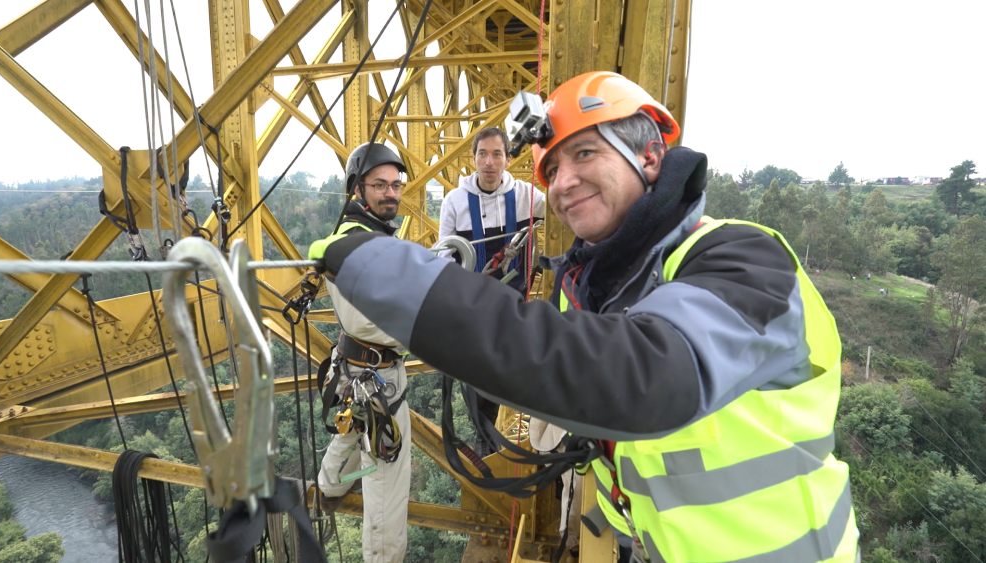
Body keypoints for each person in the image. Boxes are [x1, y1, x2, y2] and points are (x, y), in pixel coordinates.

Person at [310, 71, 858, 562]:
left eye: (585, 154)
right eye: (552, 168)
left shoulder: (746, 261)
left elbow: (636, 376)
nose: (563, 182)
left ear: (649, 157)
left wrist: (389, 273)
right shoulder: (594, 290)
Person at [315, 142, 411, 563]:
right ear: (358, 189)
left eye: (396, 185)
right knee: (388, 487)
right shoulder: (356, 242)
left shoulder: (364, 235)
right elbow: (371, 323)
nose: (391, 193)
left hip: (356, 372)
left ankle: (331, 485)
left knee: (351, 426)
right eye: (380, 185)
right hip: (380, 380)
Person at [436, 126, 546, 456]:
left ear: (509, 160)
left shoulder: (527, 196)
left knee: (508, 372)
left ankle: (515, 438)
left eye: (497, 154)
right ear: (473, 159)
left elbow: (557, 216)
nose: (489, 162)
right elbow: (444, 254)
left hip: (513, 302)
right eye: (482, 154)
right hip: (475, 306)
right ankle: (485, 439)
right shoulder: (455, 202)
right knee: (478, 377)